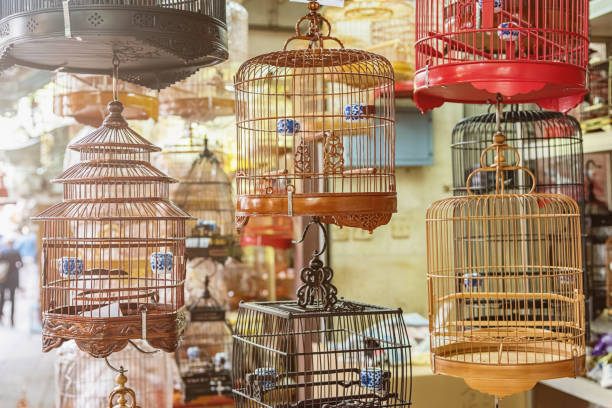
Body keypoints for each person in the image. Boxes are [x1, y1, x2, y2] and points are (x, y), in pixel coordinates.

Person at [0, 234, 22, 327]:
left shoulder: (2, 252)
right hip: (13, 279)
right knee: (12, 299)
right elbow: (21, 264)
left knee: (2, 298)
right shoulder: (16, 252)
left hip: (3, 278)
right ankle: (12, 319)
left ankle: (1, 315)